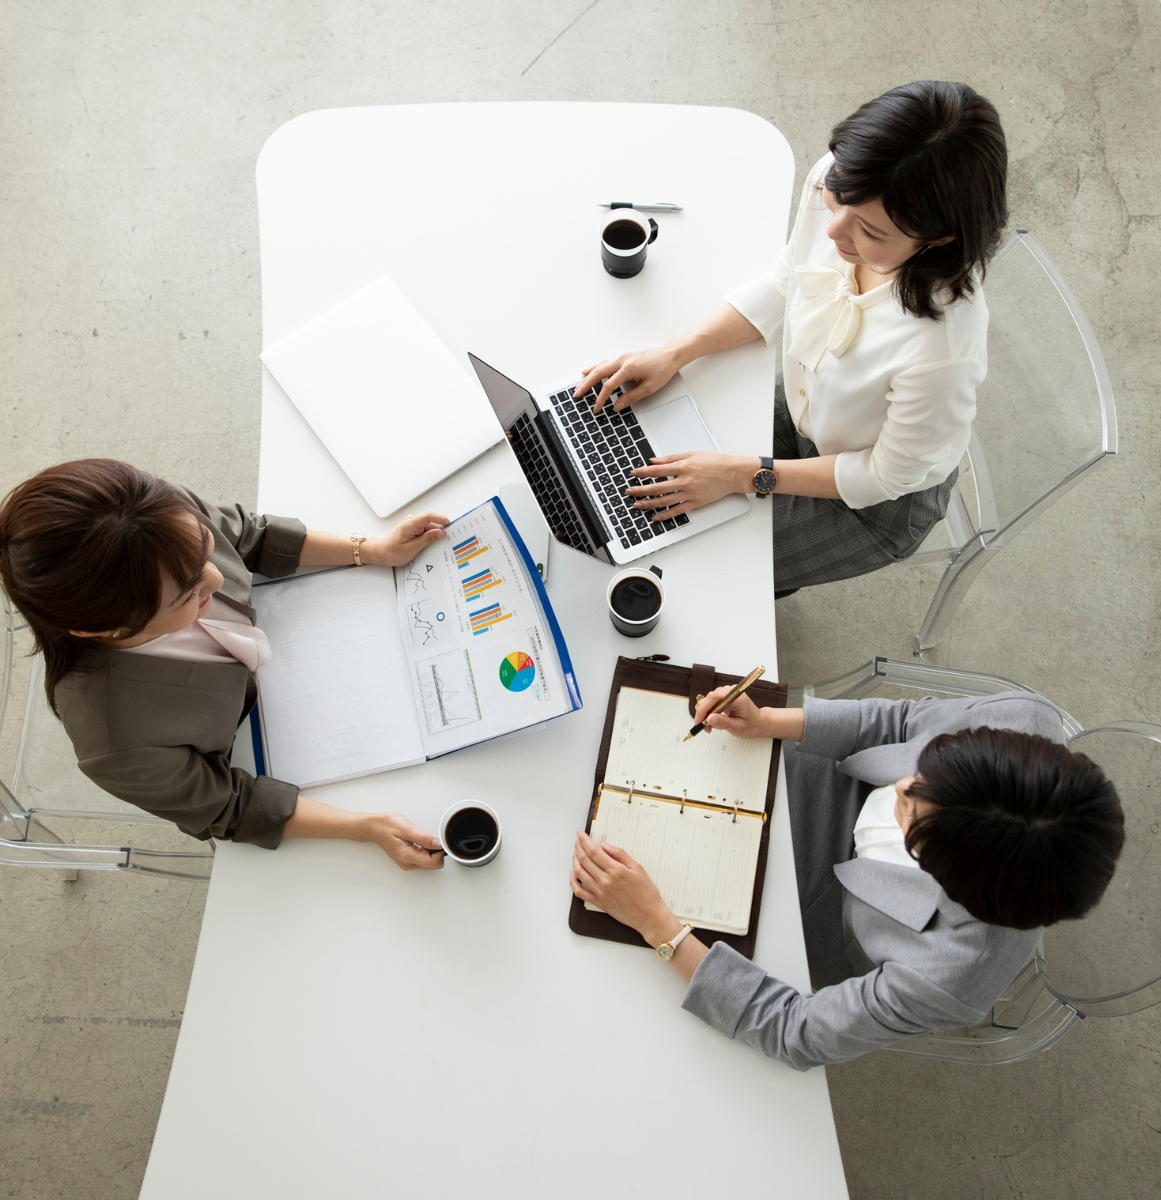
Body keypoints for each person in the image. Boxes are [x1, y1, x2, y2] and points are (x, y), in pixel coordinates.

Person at [574, 81, 1008, 593]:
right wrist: (674, 352)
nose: (834, 230)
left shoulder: (941, 351)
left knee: (712, 570)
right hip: (808, 405)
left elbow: (883, 475)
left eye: (870, 232)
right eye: (837, 200)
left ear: (938, 238)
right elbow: (788, 281)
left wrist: (740, 475)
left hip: (874, 501)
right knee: (645, 494)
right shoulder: (846, 180)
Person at [570, 686, 1125, 1070]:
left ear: (948, 882)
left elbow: (795, 1030)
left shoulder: (951, 976)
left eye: (912, 817)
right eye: (926, 769)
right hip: (824, 772)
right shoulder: (1024, 719)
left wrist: (658, 924)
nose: (902, 784)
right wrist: (769, 722)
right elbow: (899, 724)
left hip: (816, 903)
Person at [0, 458, 448, 870]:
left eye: (205, 548)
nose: (216, 576)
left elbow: (250, 537)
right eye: (189, 595)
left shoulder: (154, 515)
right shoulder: (116, 742)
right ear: (103, 629)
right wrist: (366, 827)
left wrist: (370, 549)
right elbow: (230, 806)